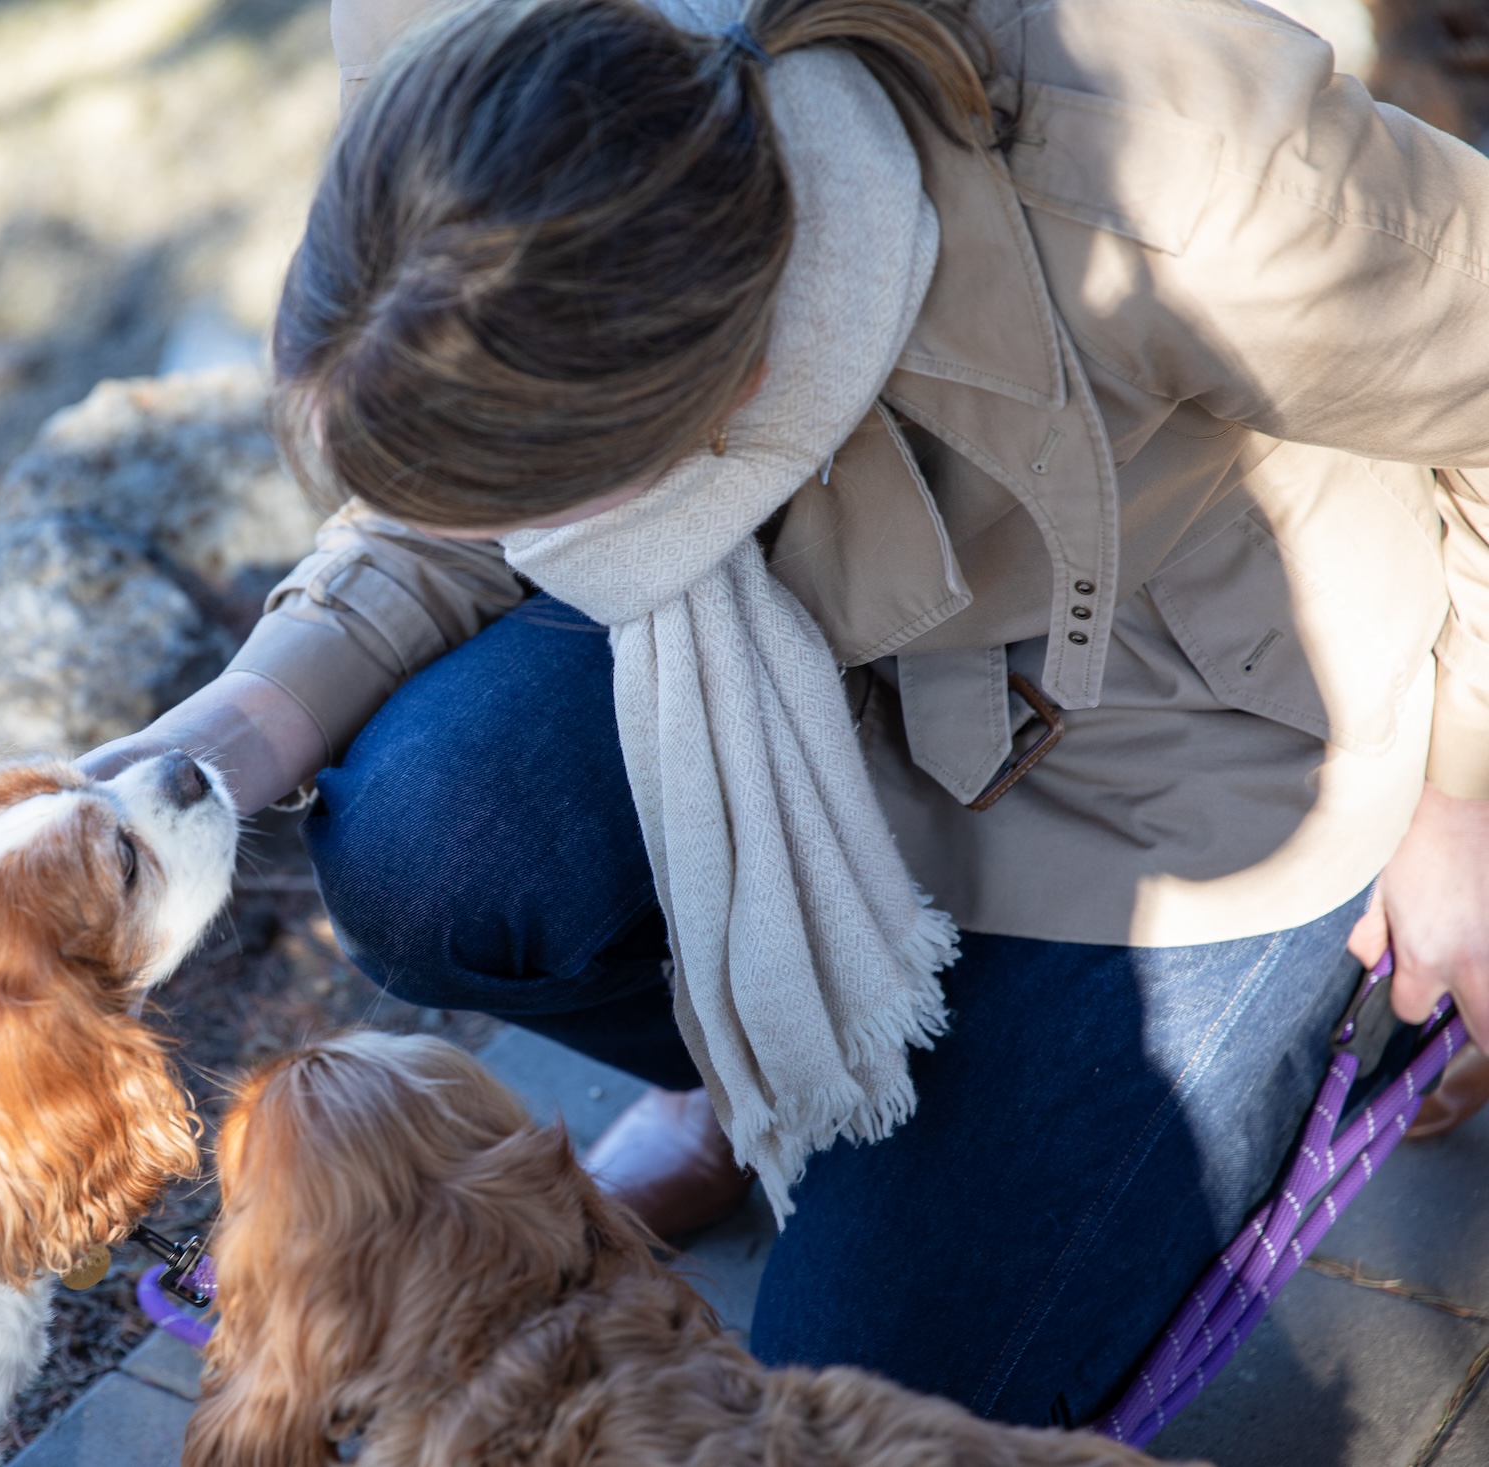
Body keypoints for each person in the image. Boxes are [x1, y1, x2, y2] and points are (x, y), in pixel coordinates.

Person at [82, 0, 1489, 1427]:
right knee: (432, 833)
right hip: (787, 653)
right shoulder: (436, 39)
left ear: (732, 397)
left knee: (866, 1393)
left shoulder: (1178, 174)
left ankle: (1294, 1022)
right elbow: (472, 467)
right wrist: (241, 726)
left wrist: (1464, 799)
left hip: (1197, 758)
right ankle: (763, 1074)